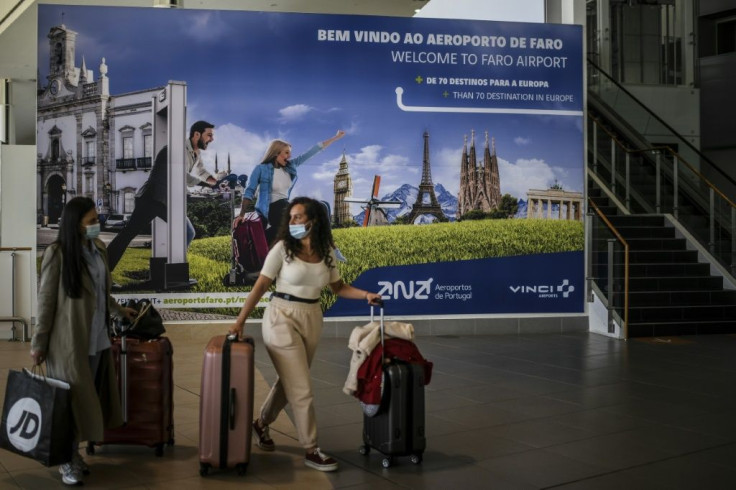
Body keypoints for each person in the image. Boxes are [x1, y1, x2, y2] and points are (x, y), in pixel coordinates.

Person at [228, 196, 382, 472]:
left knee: (289, 382)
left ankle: (260, 424)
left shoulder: (327, 252)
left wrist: (366, 295)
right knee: (301, 386)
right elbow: (261, 286)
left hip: (312, 316)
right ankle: (311, 449)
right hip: (280, 316)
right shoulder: (282, 249)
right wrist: (239, 321)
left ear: (314, 220)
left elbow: (339, 287)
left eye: (298, 217)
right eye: (291, 217)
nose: (293, 222)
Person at [30, 197, 137, 486]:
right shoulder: (58, 253)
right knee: (70, 404)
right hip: (67, 343)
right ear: (75, 224)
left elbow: (102, 292)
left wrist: (117, 310)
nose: (96, 225)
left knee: (86, 399)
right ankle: (67, 460)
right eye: (91, 221)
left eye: (96, 219)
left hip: (97, 339)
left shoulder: (99, 249)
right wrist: (38, 343)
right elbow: (46, 302)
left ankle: (74, 455)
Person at [107, 120, 219, 271]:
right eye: (209, 135)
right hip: (151, 199)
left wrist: (217, 182)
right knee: (127, 235)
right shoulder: (175, 150)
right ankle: (103, 273)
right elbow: (183, 175)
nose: (212, 139)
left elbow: (202, 171)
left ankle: (171, 271)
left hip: (166, 202)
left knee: (188, 232)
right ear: (197, 134)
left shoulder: (195, 154)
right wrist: (208, 185)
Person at [233, 130, 345, 246]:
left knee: (323, 205)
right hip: (270, 209)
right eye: (286, 153)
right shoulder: (261, 169)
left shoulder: (290, 166)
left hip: (284, 207)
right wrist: (241, 214)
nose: (289, 156)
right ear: (276, 153)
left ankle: (326, 244)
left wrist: (335, 138)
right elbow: (249, 191)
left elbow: (312, 152)